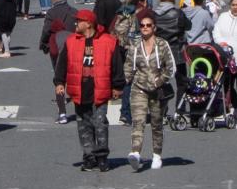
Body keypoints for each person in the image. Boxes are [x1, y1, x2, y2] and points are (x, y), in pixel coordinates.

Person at [55, 9, 125, 172]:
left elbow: (116, 65)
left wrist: (118, 86)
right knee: (83, 126)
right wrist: (59, 82)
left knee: (100, 124)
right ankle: (89, 156)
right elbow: (63, 63)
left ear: (89, 23)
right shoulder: (71, 41)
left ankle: (102, 157)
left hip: (100, 90)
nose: (76, 24)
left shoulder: (108, 41)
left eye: (79, 21)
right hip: (79, 90)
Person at [125, 9, 175, 172]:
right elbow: (128, 68)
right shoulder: (135, 46)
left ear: (154, 27)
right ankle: (135, 152)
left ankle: (157, 155)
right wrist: (121, 84)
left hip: (157, 90)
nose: (145, 27)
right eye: (142, 25)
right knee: (138, 122)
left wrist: (159, 80)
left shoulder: (162, 44)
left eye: (148, 25)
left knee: (156, 124)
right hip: (139, 88)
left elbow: (171, 68)